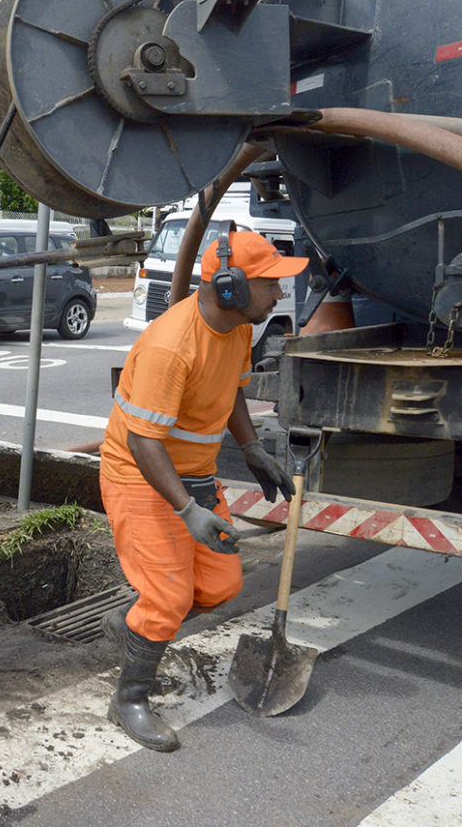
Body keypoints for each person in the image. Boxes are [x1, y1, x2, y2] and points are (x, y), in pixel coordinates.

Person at [98, 229, 306, 752]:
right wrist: (188, 509)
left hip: (191, 475)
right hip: (141, 476)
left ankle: (129, 624)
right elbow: (145, 443)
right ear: (231, 286)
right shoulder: (172, 345)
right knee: (169, 596)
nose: (280, 295)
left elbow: (232, 389)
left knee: (221, 585)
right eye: (272, 285)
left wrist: (252, 448)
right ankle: (130, 699)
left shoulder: (236, 328)